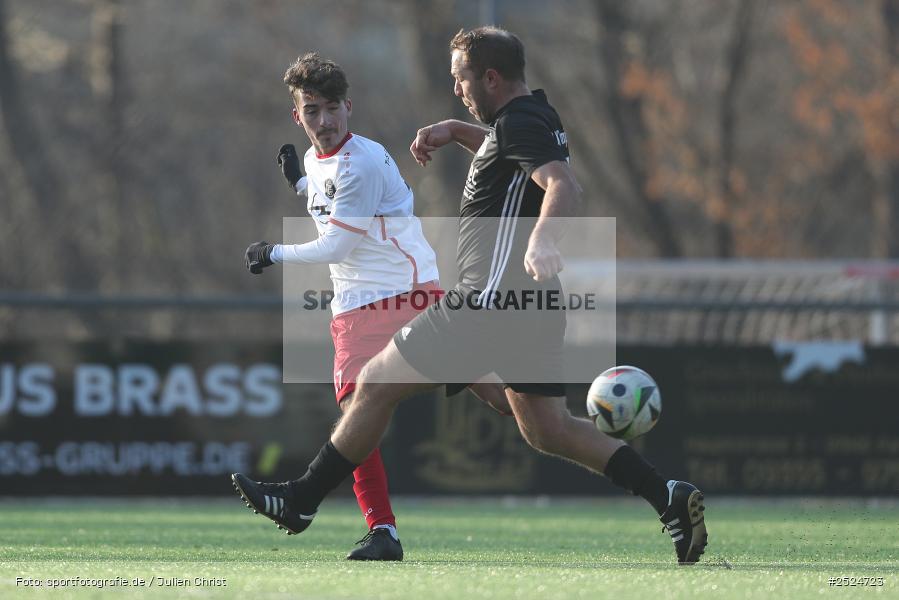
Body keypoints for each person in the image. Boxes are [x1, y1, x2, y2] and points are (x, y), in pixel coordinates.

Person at [235, 28, 708, 565]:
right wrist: (455, 130)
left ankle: (301, 500)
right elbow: (505, 155)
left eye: (461, 78)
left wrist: (543, 240)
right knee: (548, 429)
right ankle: (666, 495)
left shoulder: (520, 124)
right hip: (532, 307)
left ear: (490, 77)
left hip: (485, 300)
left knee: (372, 384)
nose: (457, 87)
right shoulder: (533, 118)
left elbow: (563, 186)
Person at [232, 52, 512, 561]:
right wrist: (300, 182)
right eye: (312, 110)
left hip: (400, 299)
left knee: (493, 394)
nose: (325, 120)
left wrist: (271, 252)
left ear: (349, 107)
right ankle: (382, 531)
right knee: (361, 412)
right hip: (365, 304)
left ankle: (320, 510)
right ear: (298, 116)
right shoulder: (322, 160)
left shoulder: (360, 160)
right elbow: (330, 201)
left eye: (333, 107)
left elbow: (336, 245)